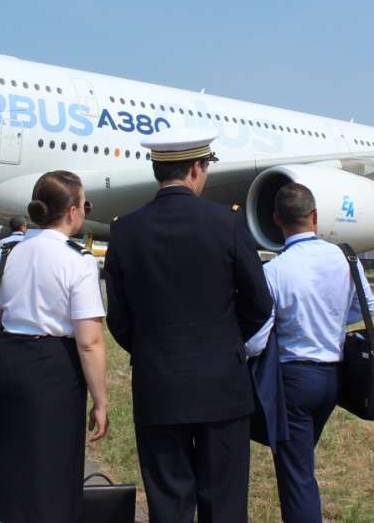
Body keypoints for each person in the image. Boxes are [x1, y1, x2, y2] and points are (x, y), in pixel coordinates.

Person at [104, 129, 273, 523]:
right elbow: (259, 304)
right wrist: (226, 344)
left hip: (157, 381)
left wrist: (151, 348)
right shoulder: (226, 223)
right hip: (221, 385)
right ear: (197, 169)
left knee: (169, 502)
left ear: (157, 170)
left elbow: (119, 315)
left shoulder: (125, 229)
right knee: (225, 504)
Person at [245, 183, 374, 523]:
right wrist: (331, 319)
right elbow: (368, 307)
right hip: (333, 378)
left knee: (296, 477)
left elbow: (256, 342)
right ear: (315, 216)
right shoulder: (346, 257)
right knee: (301, 468)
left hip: (293, 381)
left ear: (276, 219)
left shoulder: (273, 271)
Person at [0, 170, 108, 522]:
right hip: (53, 367)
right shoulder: (78, 259)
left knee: (11, 457)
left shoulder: (9, 253)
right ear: (72, 211)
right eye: (84, 204)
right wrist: (100, 401)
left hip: (9, 358)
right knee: (54, 464)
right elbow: (89, 341)